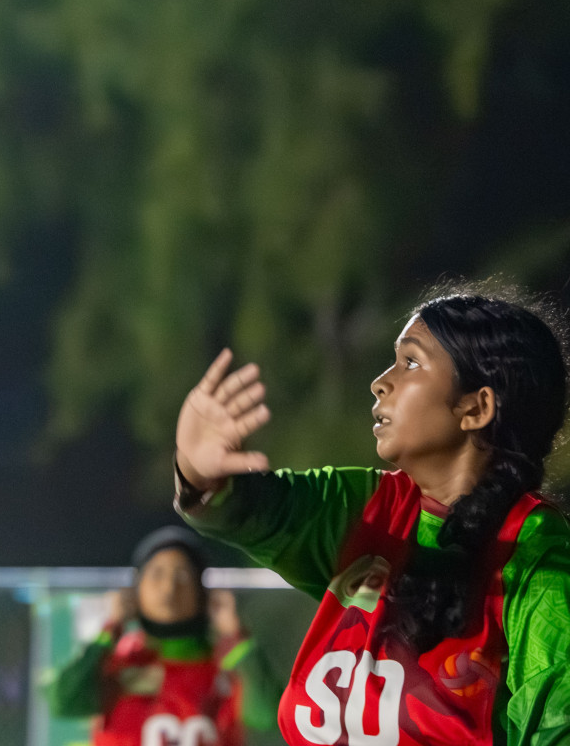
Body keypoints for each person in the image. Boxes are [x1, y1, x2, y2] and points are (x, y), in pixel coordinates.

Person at [172, 283, 570, 745]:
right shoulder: (372, 509)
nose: (380, 381)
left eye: (411, 362)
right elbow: (249, 511)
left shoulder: (539, 558)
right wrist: (198, 470)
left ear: (476, 407)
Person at [48, 525, 278, 746]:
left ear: (202, 593)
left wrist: (235, 635)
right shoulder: (118, 660)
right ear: (136, 588)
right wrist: (111, 628)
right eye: (157, 574)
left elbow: (266, 714)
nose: (169, 588)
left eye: (182, 577)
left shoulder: (225, 663)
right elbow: (64, 702)